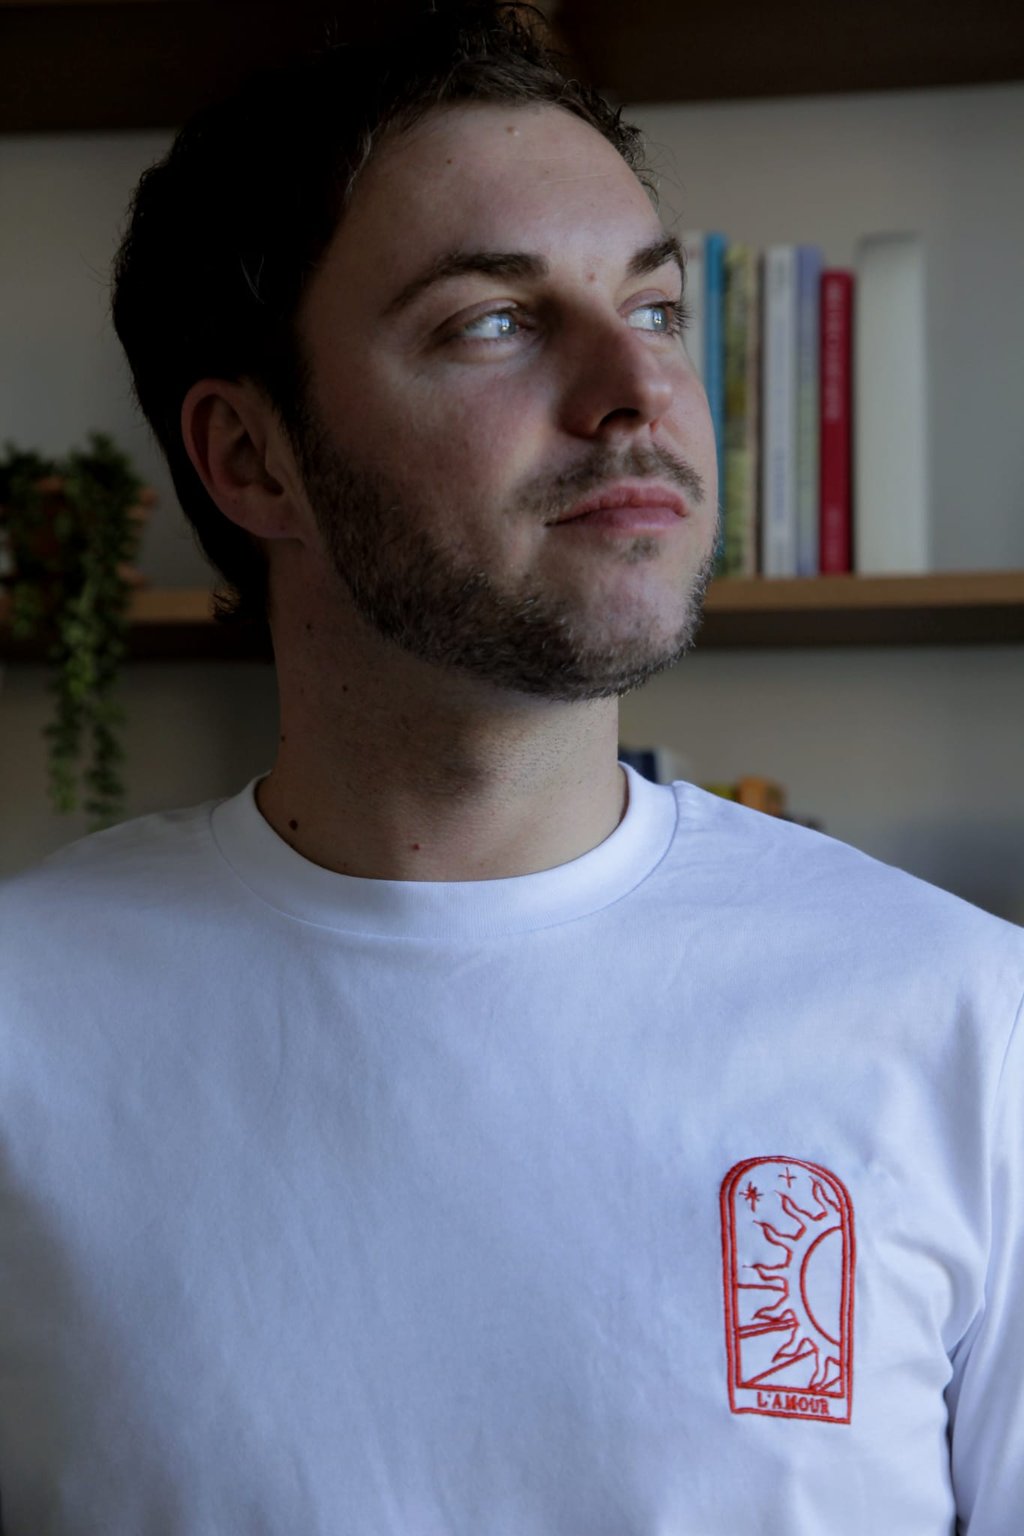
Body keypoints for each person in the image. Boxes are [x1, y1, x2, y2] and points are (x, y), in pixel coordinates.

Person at [0, 5, 1021, 1532]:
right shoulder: (21, 1023)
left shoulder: (970, 1021)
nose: (637, 393)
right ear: (250, 459)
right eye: (493, 321)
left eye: (658, 311)